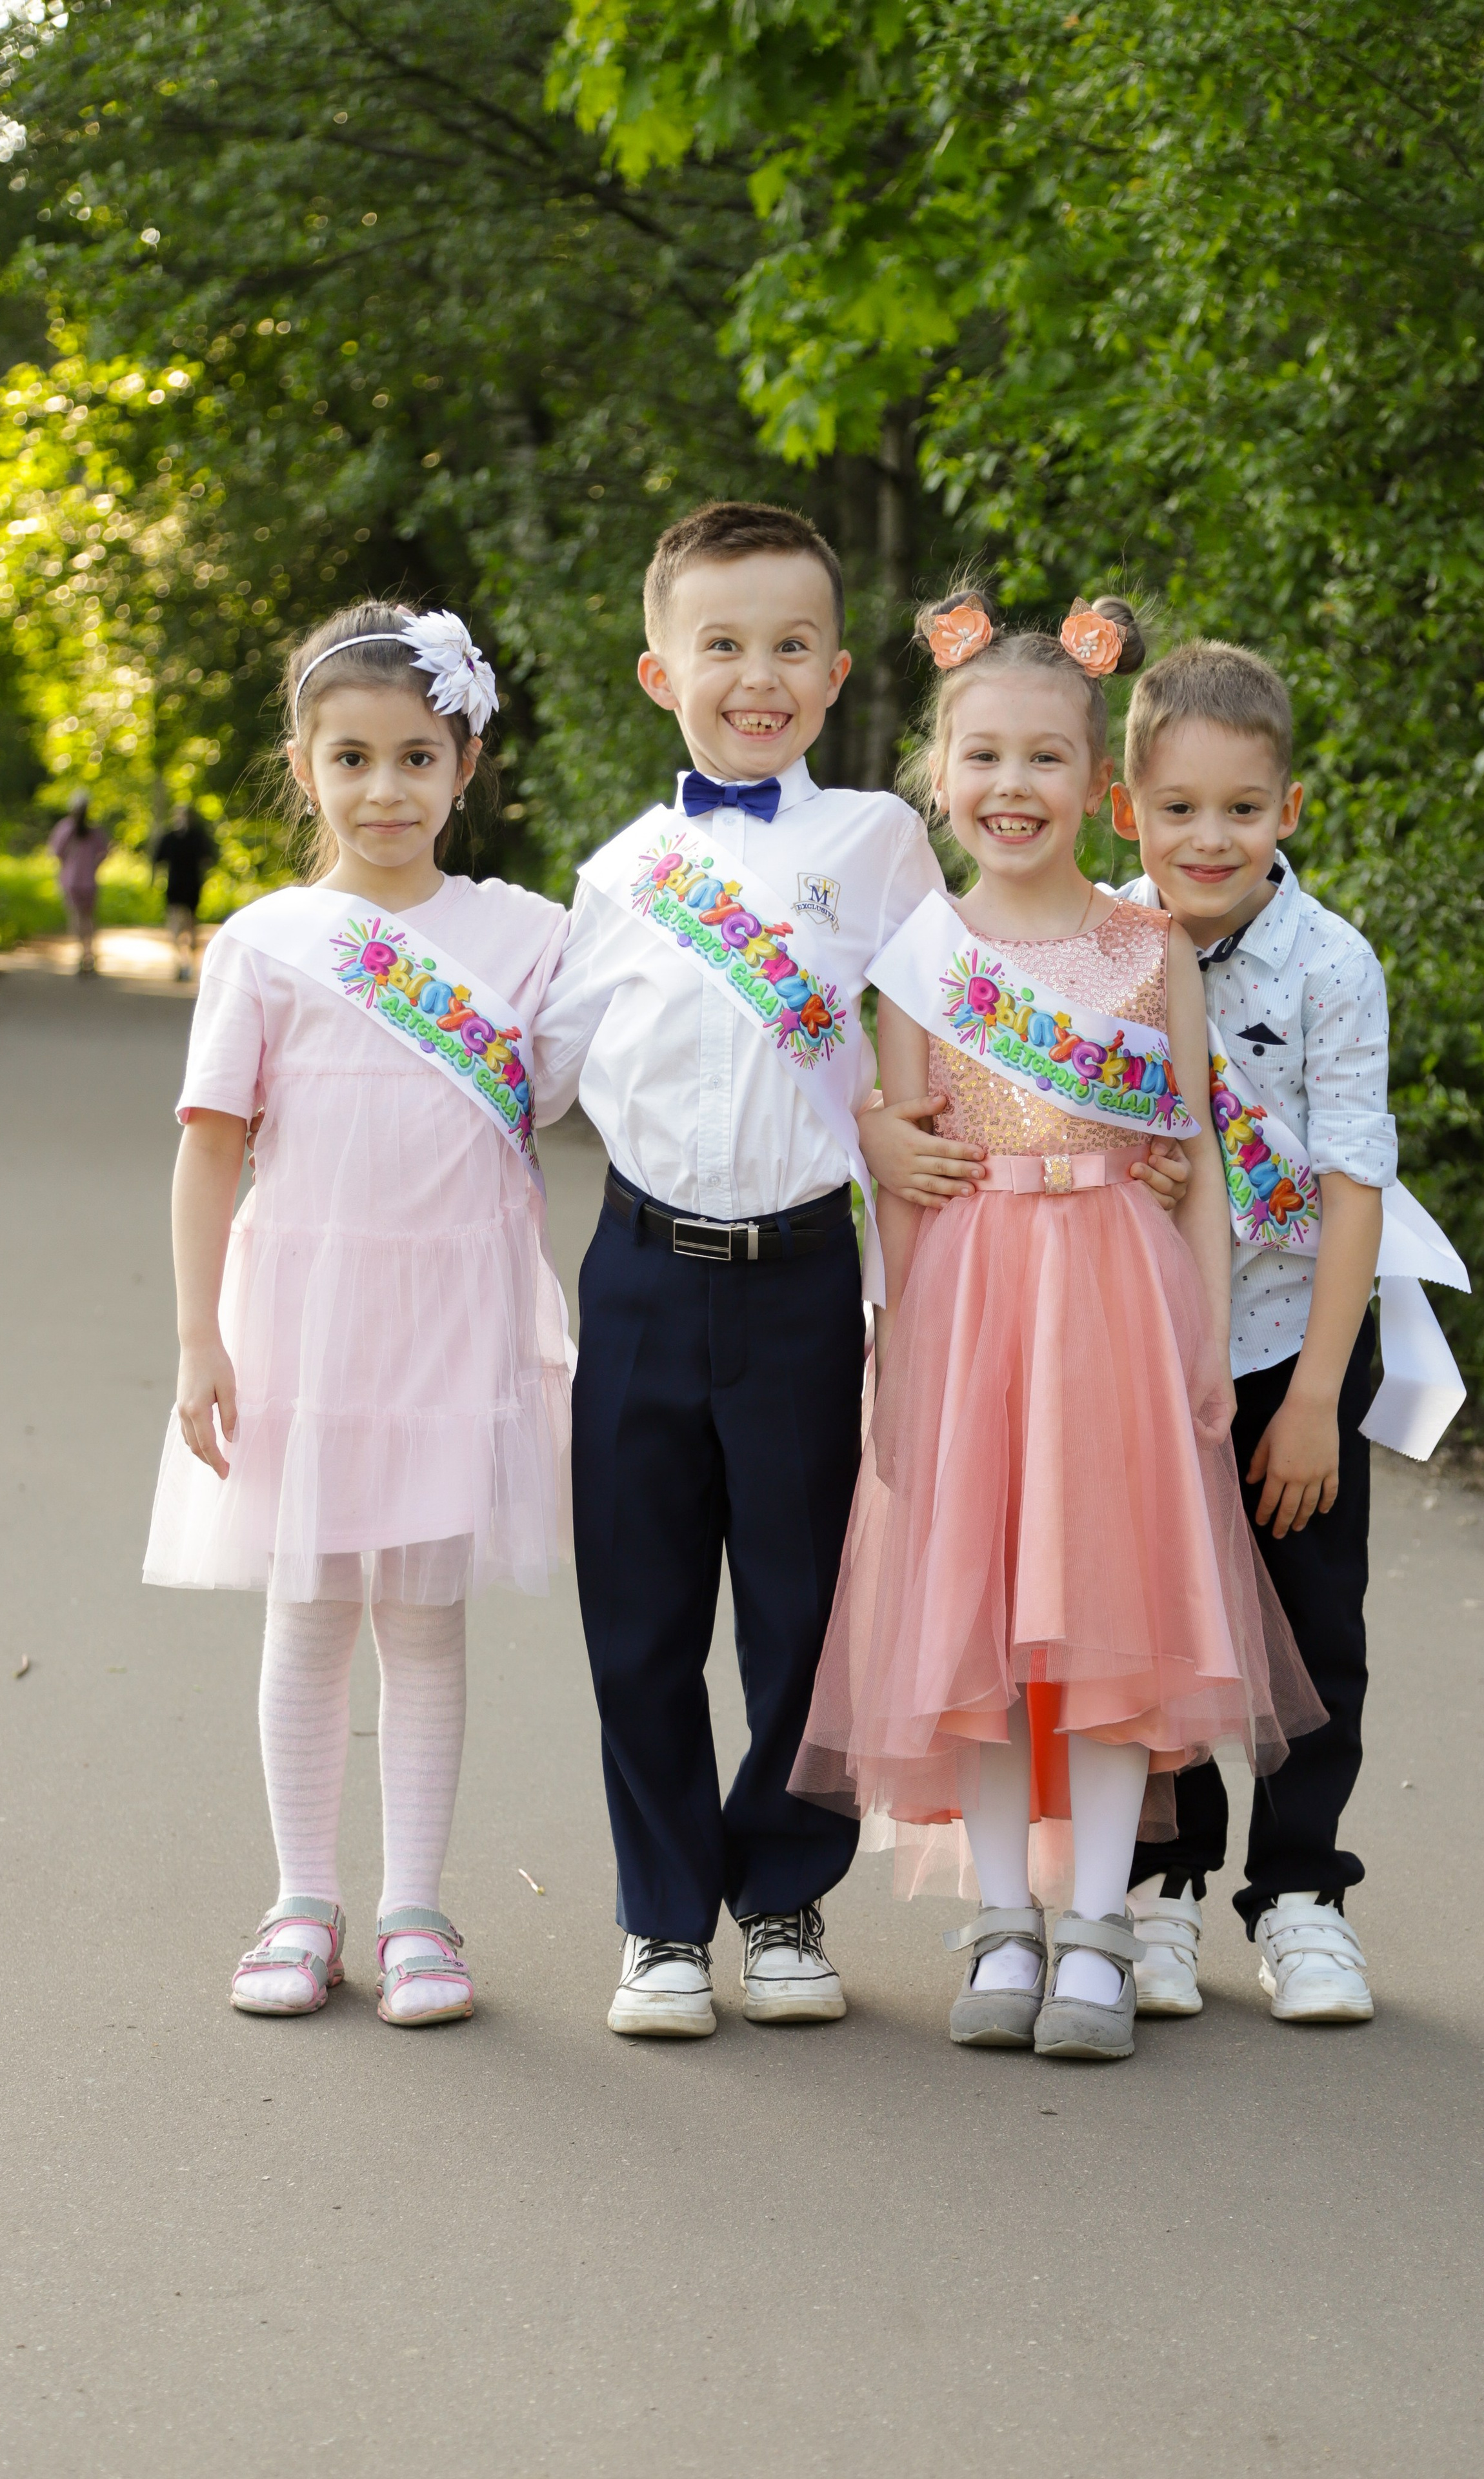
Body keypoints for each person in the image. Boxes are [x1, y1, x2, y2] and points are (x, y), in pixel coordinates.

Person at [790, 590, 1325, 2061]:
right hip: (967, 1311)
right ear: (937, 773)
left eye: (1041, 760)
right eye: (980, 757)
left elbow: (1198, 1154)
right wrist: (892, 1353)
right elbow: (898, 1170)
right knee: (974, 1623)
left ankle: (1094, 1918)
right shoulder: (917, 955)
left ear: (1095, 786)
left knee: (1103, 1621)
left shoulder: (1148, 946)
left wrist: (1207, 1340)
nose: (1008, 788)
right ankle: (998, 1920)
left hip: (1112, 1306)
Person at [530, 500, 947, 2039]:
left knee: (796, 1608)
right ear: (660, 672)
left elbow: (947, 1048)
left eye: (787, 646)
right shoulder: (619, 871)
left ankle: (779, 1893)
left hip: (798, 1286)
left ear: (835, 676)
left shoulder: (878, 846)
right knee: (637, 1614)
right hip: (638, 1275)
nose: (754, 675)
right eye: (721, 646)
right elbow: (535, 1076)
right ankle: (659, 1920)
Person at [143, 602, 572, 2027]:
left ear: (465, 766)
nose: (383, 790)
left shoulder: (526, 939)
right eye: (351, 759)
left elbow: (604, 1078)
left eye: (415, 757)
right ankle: (300, 1899)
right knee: (313, 1607)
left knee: (427, 1618)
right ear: (303, 765)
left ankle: (414, 1915)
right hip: (306, 1317)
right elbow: (212, 1144)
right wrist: (201, 1336)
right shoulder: (268, 941)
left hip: (455, 1312)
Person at [1110, 640, 1396, 2024]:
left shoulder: (1331, 965)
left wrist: (1313, 1398)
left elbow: (1352, 1187)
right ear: (1128, 812)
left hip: (1291, 1341)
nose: (1206, 837)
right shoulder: (1093, 943)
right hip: (1131, 1344)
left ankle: (1296, 1895)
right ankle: (1162, 1881)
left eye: (1239, 806)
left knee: (1309, 1627)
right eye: (1177, 808)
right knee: (1154, 1624)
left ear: (1288, 807)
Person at [152, 802, 217, 982]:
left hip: (192, 887)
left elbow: (207, 861)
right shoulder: (169, 838)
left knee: (190, 925)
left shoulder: (197, 837)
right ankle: (180, 962)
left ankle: (188, 963)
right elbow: (158, 861)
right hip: (174, 886)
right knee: (175, 925)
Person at [48, 792, 108, 975]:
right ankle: (90, 952)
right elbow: (104, 852)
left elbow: (56, 852)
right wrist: (93, 866)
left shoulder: (65, 828)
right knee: (89, 918)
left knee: (76, 918)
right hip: (89, 880)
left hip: (72, 880)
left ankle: (82, 954)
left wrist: (67, 865)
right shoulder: (94, 830)